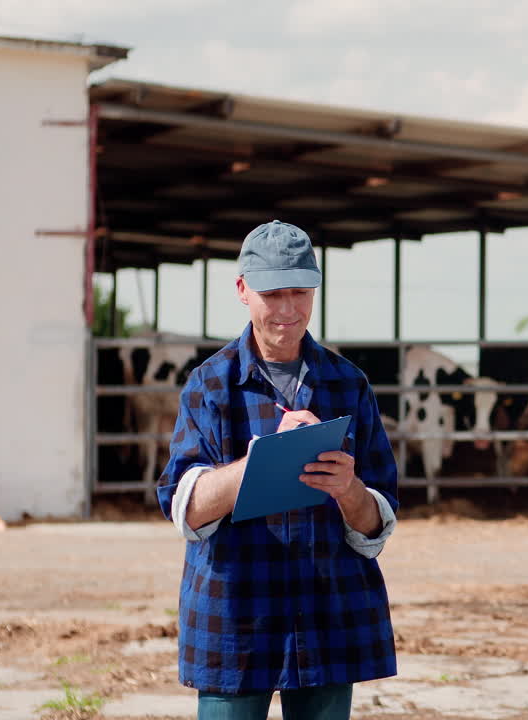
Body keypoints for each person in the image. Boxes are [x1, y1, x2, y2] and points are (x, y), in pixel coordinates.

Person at [156, 220, 398, 720]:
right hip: (234, 619)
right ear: (242, 290)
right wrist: (261, 462)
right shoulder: (209, 386)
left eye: (300, 292)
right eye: (272, 294)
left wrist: (348, 490)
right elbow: (185, 510)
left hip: (328, 619)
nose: (288, 310)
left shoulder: (349, 385)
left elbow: (378, 522)